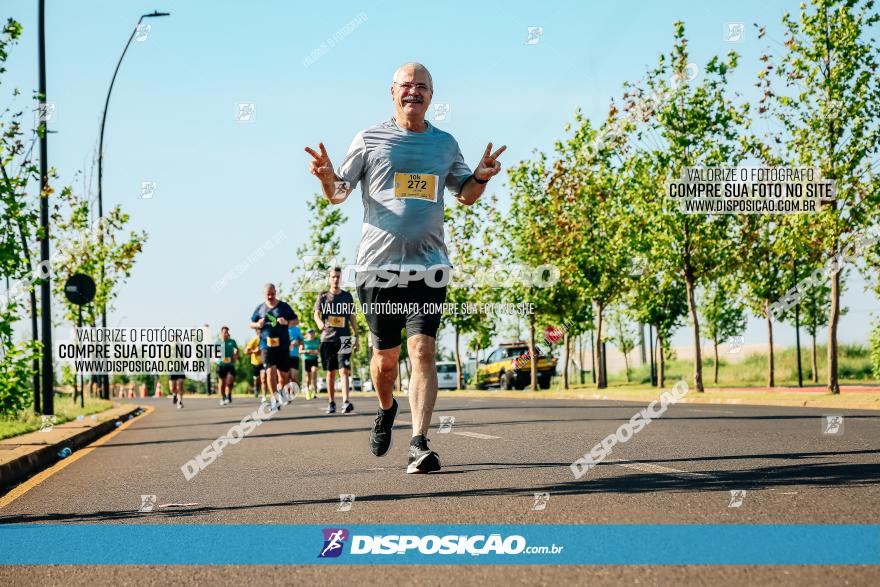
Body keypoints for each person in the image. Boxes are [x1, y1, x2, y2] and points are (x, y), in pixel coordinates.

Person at [304, 62, 504, 472]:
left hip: (429, 268)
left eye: (422, 86)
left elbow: (465, 194)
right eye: (407, 85)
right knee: (386, 361)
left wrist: (481, 176)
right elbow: (340, 193)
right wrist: (327, 178)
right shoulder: (369, 138)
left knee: (423, 350)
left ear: (433, 95)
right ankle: (385, 407)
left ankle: (419, 442)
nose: (414, 91)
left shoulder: (445, 144)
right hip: (376, 269)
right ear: (392, 92)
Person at [314, 267, 359, 414]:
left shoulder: (347, 296)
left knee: (344, 370)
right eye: (333, 276)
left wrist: (356, 335)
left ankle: (346, 402)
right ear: (329, 278)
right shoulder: (323, 296)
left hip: (345, 337)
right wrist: (319, 323)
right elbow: (316, 314)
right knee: (330, 373)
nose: (336, 279)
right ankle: (331, 402)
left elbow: (352, 317)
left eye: (338, 277)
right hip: (327, 339)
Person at [249, 283, 298, 411]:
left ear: (275, 292)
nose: (270, 296)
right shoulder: (260, 308)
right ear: (264, 294)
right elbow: (251, 324)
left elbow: (296, 321)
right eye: (268, 294)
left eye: (272, 294)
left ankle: (281, 392)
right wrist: (258, 324)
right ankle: (274, 399)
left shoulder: (284, 307)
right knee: (270, 371)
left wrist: (286, 322)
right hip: (266, 345)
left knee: (284, 376)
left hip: (282, 345)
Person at [216, 326, 239, 406]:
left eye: (227, 332)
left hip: (230, 364)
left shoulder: (232, 341)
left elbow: (236, 350)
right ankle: (222, 397)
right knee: (222, 382)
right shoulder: (218, 342)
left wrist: (235, 354)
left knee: (230, 379)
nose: (226, 333)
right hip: (221, 365)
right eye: (224, 332)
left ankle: (229, 394)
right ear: (221, 333)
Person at [245, 328, 265, 399]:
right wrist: (254, 351)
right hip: (255, 363)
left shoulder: (265, 339)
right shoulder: (254, 340)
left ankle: (264, 395)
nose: (260, 333)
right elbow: (246, 352)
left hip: (264, 362)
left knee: (263, 379)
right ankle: (256, 388)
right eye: (259, 332)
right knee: (257, 380)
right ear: (256, 333)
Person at [301, 328, 320, 400]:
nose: (311, 334)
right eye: (310, 333)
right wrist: (307, 351)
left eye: (313, 333)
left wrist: (316, 352)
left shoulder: (317, 341)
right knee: (308, 378)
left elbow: (319, 351)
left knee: (314, 373)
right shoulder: (304, 341)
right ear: (307, 334)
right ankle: (308, 392)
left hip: (314, 359)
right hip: (307, 360)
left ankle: (314, 392)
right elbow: (300, 351)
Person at [288, 322, 304, 399]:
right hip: (284, 356)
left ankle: (293, 392)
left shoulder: (296, 329)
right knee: (286, 376)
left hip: (294, 355)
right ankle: (286, 394)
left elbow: (301, 342)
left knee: (293, 377)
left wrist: (298, 343)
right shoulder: (281, 328)